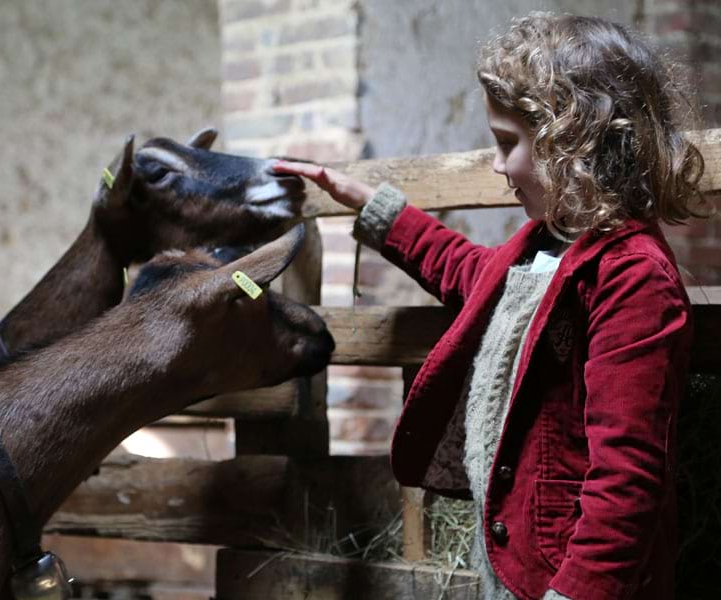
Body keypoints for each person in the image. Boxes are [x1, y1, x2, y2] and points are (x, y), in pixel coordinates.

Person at [274, 12, 710, 600]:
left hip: (564, 583)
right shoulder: (541, 249)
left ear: (570, 142)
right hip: (513, 559)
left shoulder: (631, 277)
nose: (498, 166)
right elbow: (463, 270)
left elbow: (626, 480)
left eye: (508, 144)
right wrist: (371, 206)